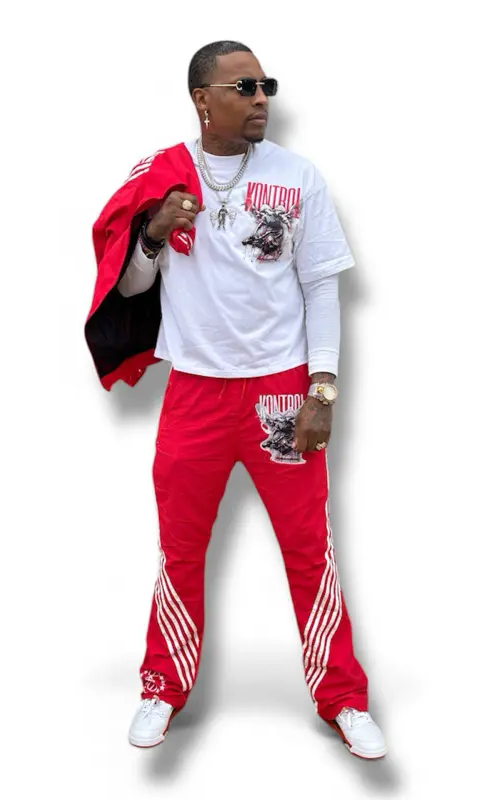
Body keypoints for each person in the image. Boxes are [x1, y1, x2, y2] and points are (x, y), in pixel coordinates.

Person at [84, 40, 387, 760]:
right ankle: (163, 685)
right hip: (194, 391)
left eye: (265, 86)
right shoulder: (163, 175)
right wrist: (153, 234)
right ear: (202, 99)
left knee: (309, 549)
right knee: (180, 551)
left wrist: (322, 387)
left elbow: (321, 287)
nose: (260, 99)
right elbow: (128, 287)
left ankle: (343, 698)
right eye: (244, 86)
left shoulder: (297, 175)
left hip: (281, 390)